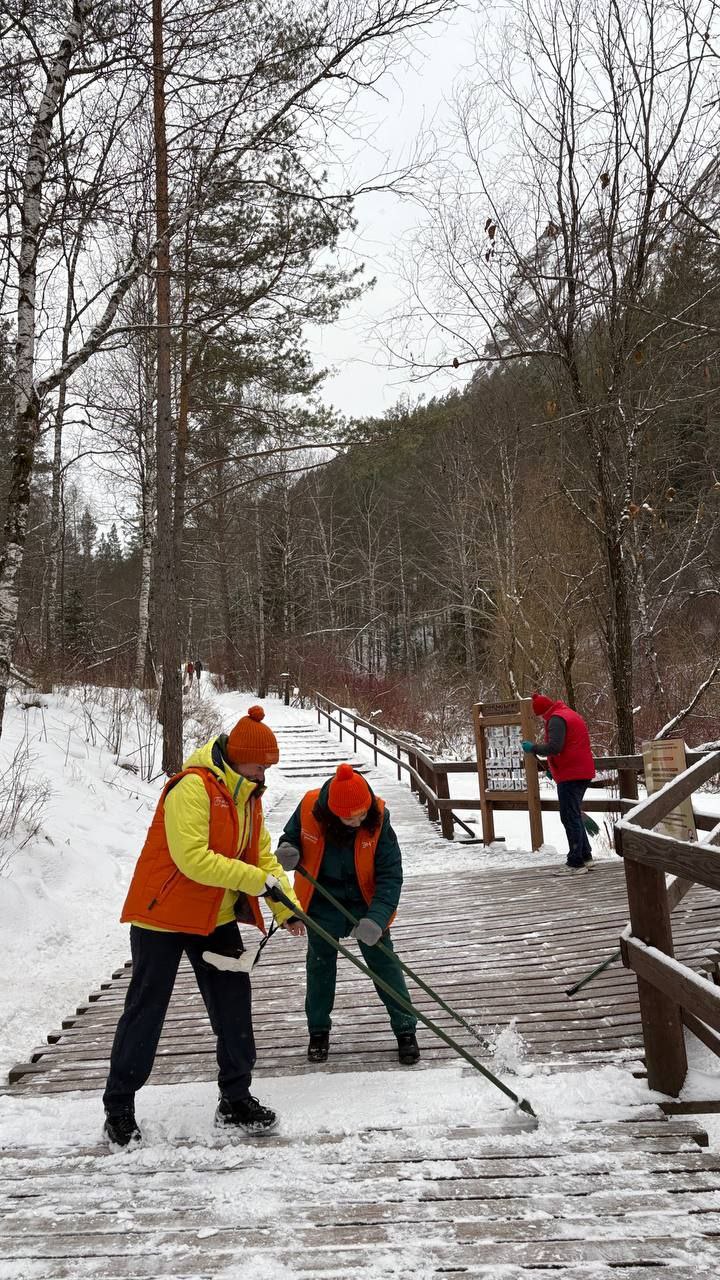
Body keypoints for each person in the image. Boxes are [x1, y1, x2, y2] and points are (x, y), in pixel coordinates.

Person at [102, 705, 304, 1147]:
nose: (265, 773)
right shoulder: (191, 788)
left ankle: (235, 1099)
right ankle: (118, 1107)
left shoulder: (248, 795)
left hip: (215, 918)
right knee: (147, 1008)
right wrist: (258, 882)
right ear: (237, 755)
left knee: (234, 1004)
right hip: (162, 916)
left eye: (269, 767)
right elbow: (192, 859)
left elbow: (262, 856)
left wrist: (284, 907)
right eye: (260, 764)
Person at [277, 763, 420, 1066]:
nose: (357, 822)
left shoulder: (379, 818)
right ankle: (318, 1031)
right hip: (321, 902)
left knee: (385, 965)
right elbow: (290, 837)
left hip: (365, 904)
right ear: (332, 813)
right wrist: (288, 849)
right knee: (319, 968)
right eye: (348, 817)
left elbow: (391, 875)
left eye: (361, 815)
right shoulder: (308, 808)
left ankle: (405, 1029)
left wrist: (377, 919)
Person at [522, 693, 596, 874]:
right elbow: (572, 746)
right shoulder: (567, 713)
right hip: (578, 771)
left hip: (572, 774)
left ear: (542, 711)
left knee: (569, 817)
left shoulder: (556, 719)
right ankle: (586, 857)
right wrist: (553, 769)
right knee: (574, 815)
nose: (541, 719)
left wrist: (534, 748)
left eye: (540, 716)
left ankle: (575, 863)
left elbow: (555, 747)